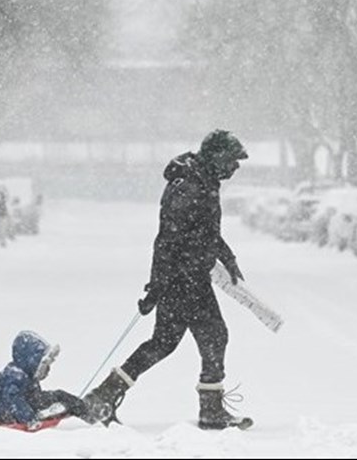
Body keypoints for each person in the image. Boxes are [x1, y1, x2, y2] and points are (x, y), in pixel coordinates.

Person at [84, 129, 253, 430]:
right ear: (217, 157)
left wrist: (227, 257)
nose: (236, 167)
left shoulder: (202, 180)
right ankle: (211, 411)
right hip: (184, 280)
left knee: (164, 343)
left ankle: (105, 394)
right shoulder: (190, 187)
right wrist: (156, 286)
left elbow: (205, 232)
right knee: (213, 336)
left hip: (188, 278)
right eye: (232, 160)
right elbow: (167, 240)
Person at [0, 331, 96, 426]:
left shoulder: (26, 374)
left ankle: (86, 411)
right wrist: (30, 419)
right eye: (43, 364)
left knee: (60, 395)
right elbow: (13, 401)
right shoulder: (15, 375)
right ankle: (87, 415)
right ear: (30, 359)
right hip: (4, 412)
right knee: (59, 398)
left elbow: (31, 395)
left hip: (26, 405)